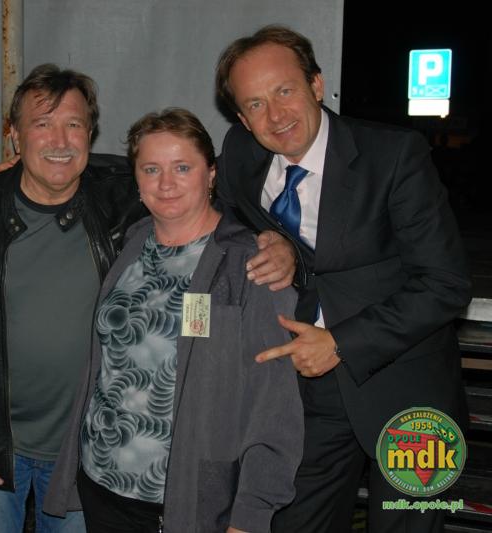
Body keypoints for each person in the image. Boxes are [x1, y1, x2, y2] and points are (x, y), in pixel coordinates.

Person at [0, 64, 296, 533]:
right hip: (2, 452)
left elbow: (273, 406)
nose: (59, 140)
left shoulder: (123, 209)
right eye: (41, 124)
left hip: (86, 462)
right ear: (15, 137)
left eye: (73, 124)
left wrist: (278, 241)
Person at [215, 25, 472, 532]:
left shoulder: (393, 155)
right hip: (306, 394)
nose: (276, 115)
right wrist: (270, 241)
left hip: (409, 393)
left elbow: (445, 283)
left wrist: (341, 343)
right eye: (256, 104)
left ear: (316, 84)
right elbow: (217, 217)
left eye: (284, 91)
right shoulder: (241, 154)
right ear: (242, 119)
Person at [43, 108, 303, 533]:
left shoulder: (251, 265)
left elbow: (274, 408)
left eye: (183, 167)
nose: (166, 183)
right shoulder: (132, 241)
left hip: (185, 499)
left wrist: (251, 513)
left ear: (211, 173)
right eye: (151, 169)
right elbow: (70, 171)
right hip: (101, 483)